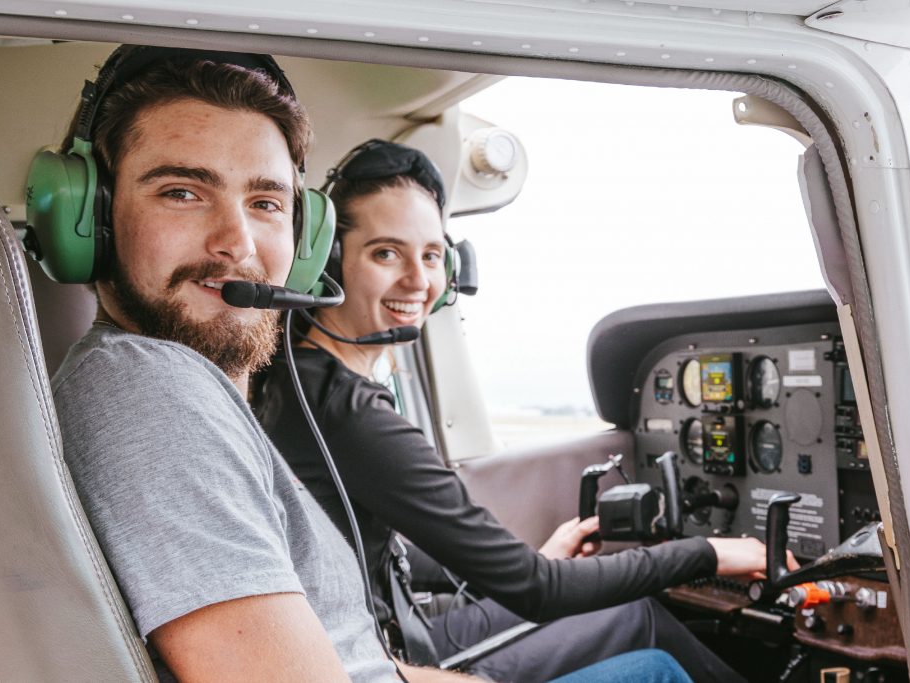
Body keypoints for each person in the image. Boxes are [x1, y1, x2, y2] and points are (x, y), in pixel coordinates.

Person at [44, 45, 693, 683]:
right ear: (92, 216)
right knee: (653, 662)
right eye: (182, 191)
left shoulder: (195, 393)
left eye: (266, 202)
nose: (236, 243)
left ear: (303, 244)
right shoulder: (151, 388)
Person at [254, 139, 797, 683]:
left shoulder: (298, 379)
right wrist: (707, 552)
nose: (418, 281)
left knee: (631, 613)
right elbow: (538, 589)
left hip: (381, 638)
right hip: (379, 660)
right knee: (650, 659)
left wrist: (530, 558)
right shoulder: (344, 408)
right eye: (386, 253)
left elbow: (369, 548)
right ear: (327, 262)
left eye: (431, 255)